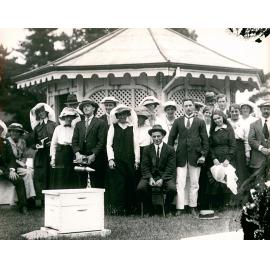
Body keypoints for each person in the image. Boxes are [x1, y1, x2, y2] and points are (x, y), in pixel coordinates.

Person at [168, 98, 209, 216]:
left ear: (194, 107)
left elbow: (205, 140)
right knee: (180, 182)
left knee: (194, 182)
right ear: (182, 108)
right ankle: (180, 207)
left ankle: (192, 206)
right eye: (186, 106)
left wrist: (203, 155)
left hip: (195, 156)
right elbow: (171, 139)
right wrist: (171, 154)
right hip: (180, 156)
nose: (188, 108)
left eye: (190, 105)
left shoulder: (200, 122)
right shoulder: (178, 121)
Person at [137, 124, 177, 216]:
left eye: (158, 136)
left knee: (172, 189)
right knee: (141, 188)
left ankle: (167, 210)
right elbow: (144, 166)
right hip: (150, 176)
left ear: (163, 136)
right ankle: (149, 209)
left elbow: (170, 167)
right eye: (154, 136)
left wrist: (162, 179)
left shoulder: (170, 149)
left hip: (165, 176)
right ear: (151, 137)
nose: (156, 138)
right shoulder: (147, 149)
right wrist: (150, 178)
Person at [106, 104, 139, 215]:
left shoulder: (132, 127)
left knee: (129, 183)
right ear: (117, 116)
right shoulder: (113, 127)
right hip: (117, 161)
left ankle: (129, 208)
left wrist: (137, 160)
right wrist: (111, 159)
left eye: (124, 114)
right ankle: (117, 208)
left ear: (127, 115)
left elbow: (136, 145)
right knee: (118, 184)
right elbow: (109, 145)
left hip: (129, 160)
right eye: (119, 115)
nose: (122, 117)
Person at [72, 99, 107, 188]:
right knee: (81, 185)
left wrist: (94, 154)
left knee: (97, 184)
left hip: (96, 158)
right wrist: (77, 154)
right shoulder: (79, 124)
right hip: (81, 158)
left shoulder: (101, 123)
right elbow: (74, 141)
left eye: (88, 106)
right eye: (84, 107)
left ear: (94, 108)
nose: (86, 108)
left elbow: (102, 141)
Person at [207, 109, 236, 210]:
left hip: (227, 158)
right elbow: (210, 146)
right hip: (216, 158)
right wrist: (214, 158)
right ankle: (217, 204)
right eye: (214, 119)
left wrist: (228, 159)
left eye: (219, 118)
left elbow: (233, 145)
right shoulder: (213, 130)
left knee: (226, 180)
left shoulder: (229, 129)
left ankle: (225, 204)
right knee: (216, 180)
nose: (217, 120)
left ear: (223, 117)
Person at [30, 103, 57, 207]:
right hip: (41, 155)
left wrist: (53, 142)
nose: (41, 114)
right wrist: (36, 145)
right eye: (39, 113)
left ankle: (52, 199)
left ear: (46, 113)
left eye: (43, 112)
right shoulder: (36, 128)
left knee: (52, 175)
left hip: (52, 153)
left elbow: (58, 136)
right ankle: (41, 201)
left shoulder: (53, 124)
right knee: (41, 176)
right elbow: (32, 143)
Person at [0, 122, 28, 214]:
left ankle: (23, 206)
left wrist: (12, 170)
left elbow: (11, 158)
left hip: (5, 169)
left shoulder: (5, 142)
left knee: (19, 180)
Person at [50, 107, 79, 189]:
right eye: (67, 117)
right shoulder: (58, 128)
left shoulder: (75, 129)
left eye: (71, 117)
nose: (69, 119)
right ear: (63, 117)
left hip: (71, 153)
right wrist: (53, 158)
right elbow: (53, 144)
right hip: (61, 154)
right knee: (60, 175)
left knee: (70, 175)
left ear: (73, 118)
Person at [228, 104, 250, 186]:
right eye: (232, 111)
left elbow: (247, 139)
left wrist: (247, 152)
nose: (234, 113)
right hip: (229, 147)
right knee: (230, 170)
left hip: (240, 147)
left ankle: (241, 195)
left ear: (239, 112)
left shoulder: (244, 123)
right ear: (229, 112)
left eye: (236, 111)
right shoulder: (227, 122)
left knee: (240, 171)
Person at [248, 100, 270, 174]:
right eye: (264, 109)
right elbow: (251, 140)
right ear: (261, 110)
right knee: (258, 183)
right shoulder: (253, 124)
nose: (266, 111)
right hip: (258, 159)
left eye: (268, 109)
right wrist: (262, 148)